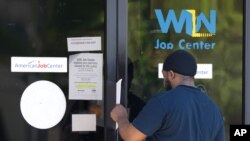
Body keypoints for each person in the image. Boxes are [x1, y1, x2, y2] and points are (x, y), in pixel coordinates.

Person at [110, 50, 225, 141]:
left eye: (164, 76)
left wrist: (121, 118)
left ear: (171, 74)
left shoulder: (163, 102)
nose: (164, 81)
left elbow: (131, 137)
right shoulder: (214, 109)